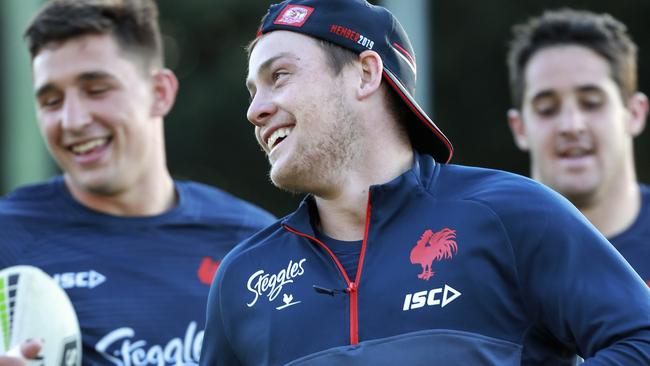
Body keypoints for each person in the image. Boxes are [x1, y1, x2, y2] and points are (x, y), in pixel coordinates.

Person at [200, 0, 650, 365]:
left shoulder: (512, 214)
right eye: (252, 90)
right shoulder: (242, 278)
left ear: (366, 73)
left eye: (278, 76)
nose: (255, 109)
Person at [0, 0, 275, 365]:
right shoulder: (9, 237)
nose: (72, 120)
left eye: (96, 90)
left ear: (160, 92)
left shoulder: (253, 244)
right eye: (51, 100)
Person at [506, 9, 650, 288]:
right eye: (547, 109)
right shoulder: (488, 256)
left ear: (634, 113)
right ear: (519, 127)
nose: (571, 125)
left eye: (592, 102)